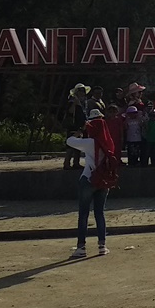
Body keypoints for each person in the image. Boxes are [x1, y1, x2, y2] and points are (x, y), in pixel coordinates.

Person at [68, 108, 114, 258]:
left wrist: (79, 132)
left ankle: (81, 247)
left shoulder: (89, 142)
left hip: (88, 179)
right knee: (99, 213)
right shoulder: (108, 143)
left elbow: (69, 141)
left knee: (83, 214)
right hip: (103, 181)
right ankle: (102, 245)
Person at [63, 83, 89, 170]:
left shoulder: (83, 101)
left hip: (80, 124)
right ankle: (66, 163)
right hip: (73, 125)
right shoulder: (72, 100)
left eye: (83, 91)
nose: (83, 92)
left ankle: (76, 163)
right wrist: (75, 103)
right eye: (81, 90)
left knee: (78, 144)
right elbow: (70, 112)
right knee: (70, 144)